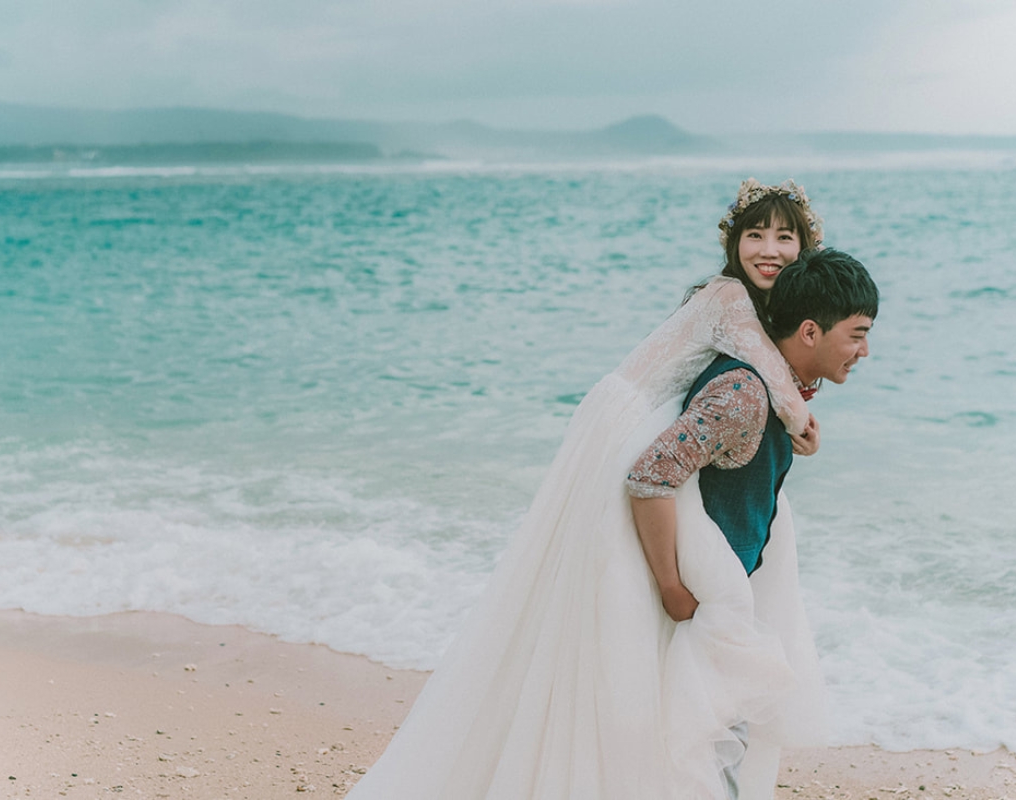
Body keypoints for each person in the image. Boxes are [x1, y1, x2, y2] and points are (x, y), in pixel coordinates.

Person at [346, 179, 831, 800]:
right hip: (626, 423)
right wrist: (801, 423)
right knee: (614, 585)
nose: (768, 248)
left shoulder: (754, 307)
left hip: (632, 417)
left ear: (804, 246)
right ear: (732, 245)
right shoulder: (728, 295)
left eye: (784, 237)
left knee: (602, 586)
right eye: (754, 234)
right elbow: (765, 367)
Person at [628, 248, 878, 798]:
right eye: (857, 334)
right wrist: (671, 587)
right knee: (707, 753)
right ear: (810, 331)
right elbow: (649, 475)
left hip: (715, 599)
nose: (865, 350)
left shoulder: (773, 390)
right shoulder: (743, 394)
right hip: (697, 605)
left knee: (718, 751)